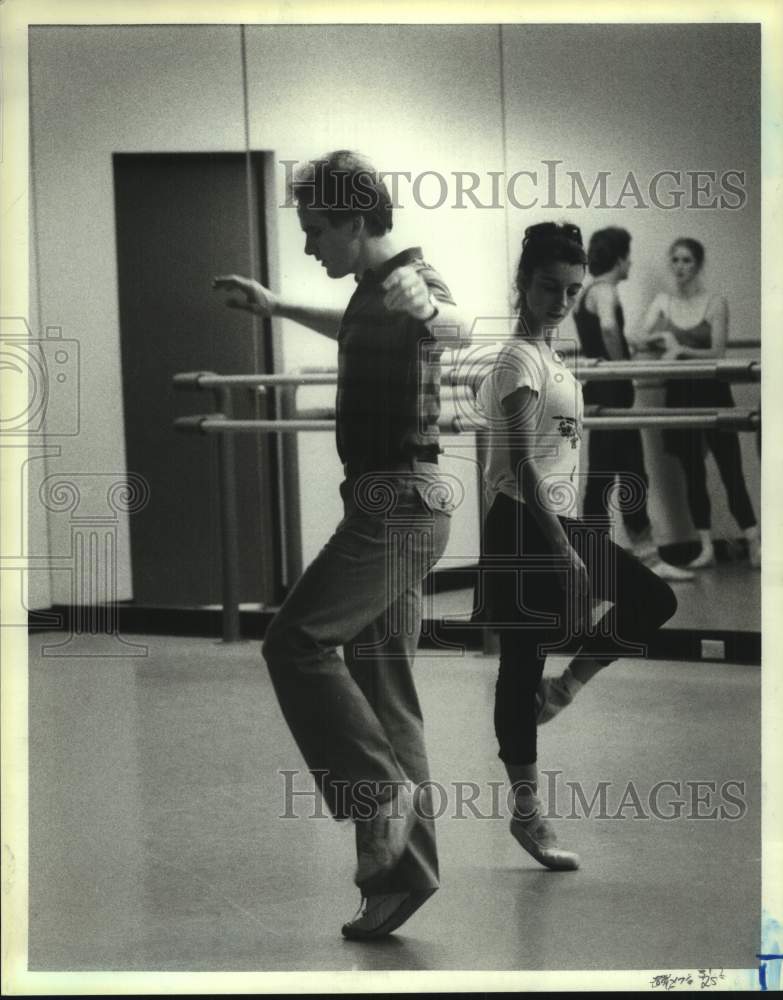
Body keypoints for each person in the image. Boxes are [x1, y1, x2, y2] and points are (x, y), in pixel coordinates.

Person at [213, 150, 468, 940]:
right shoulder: (366, 295)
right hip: (395, 502)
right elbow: (352, 325)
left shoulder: (412, 280)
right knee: (385, 694)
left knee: (294, 643)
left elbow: (456, 326)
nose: (308, 243)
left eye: (316, 229)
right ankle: (402, 881)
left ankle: (376, 793)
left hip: (395, 504)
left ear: (357, 223)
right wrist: (275, 308)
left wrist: (426, 309)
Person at [475, 222, 678, 870]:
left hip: (559, 523)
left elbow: (563, 459)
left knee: (650, 600)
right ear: (522, 284)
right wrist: (562, 549)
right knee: (520, 664)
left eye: (571, 291)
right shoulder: (516, 360)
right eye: (548, 288)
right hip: (521, 525)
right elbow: (524, 465)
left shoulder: (556, 360)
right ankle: (528, 814)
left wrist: (579, 534)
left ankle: (565, 689)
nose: (560, 301)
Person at [574, 227, 693, 582]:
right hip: (611, 391)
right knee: (629, 476)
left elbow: (606, 333)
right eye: (629, 254)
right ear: (620, 257)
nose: (632, 262)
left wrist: (635, 344)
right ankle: (647, 560)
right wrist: (623, 368)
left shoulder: (588, 293)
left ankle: (593, 562)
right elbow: (609, 330)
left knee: (603, 479)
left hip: (599, 390)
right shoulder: (607, 290)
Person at [639, 238, 760, 569]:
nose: (680, 267)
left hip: (713, 391)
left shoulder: (715, 302)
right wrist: (663, 339)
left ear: (698, 264)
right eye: (675, 260)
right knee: (693, 473)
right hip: (680, 395)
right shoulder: (664, 301)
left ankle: (753, 541)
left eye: (687, 260)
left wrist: (680, 350)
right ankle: (704, 546)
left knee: (730, 468)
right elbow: (637, 336)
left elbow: (718, 353)